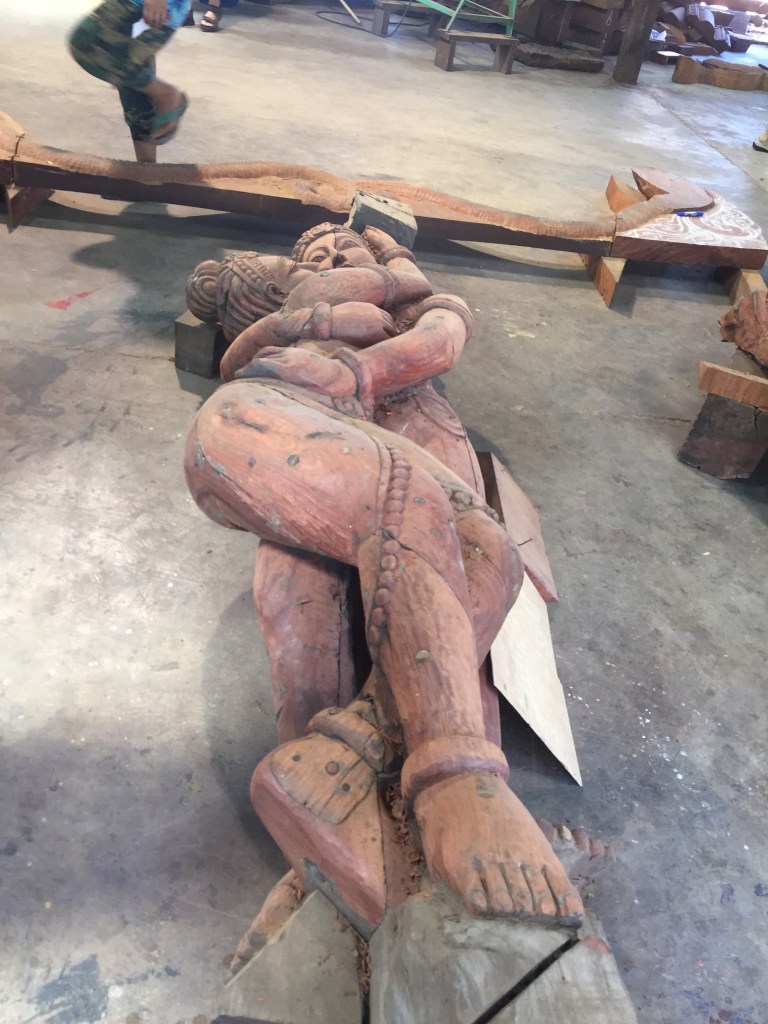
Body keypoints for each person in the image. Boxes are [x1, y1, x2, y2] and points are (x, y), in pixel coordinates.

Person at [184, 224, 584, 938]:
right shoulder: (291, 323)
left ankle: (334, 810)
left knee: (487, 554)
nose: (332, 257)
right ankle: (455, 780)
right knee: (305, 594)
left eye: (345, 249)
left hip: (397, 424)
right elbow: (245, 328)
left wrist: (367, 352)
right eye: (314, 254)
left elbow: (442, 339)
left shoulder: (418, 305)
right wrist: (321, 306)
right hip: (282, 418)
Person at [68, 0, 190, 163]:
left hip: (148, 7)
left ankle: (167, 94)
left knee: (85, 44)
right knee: (134, 87)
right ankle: (147, 171)